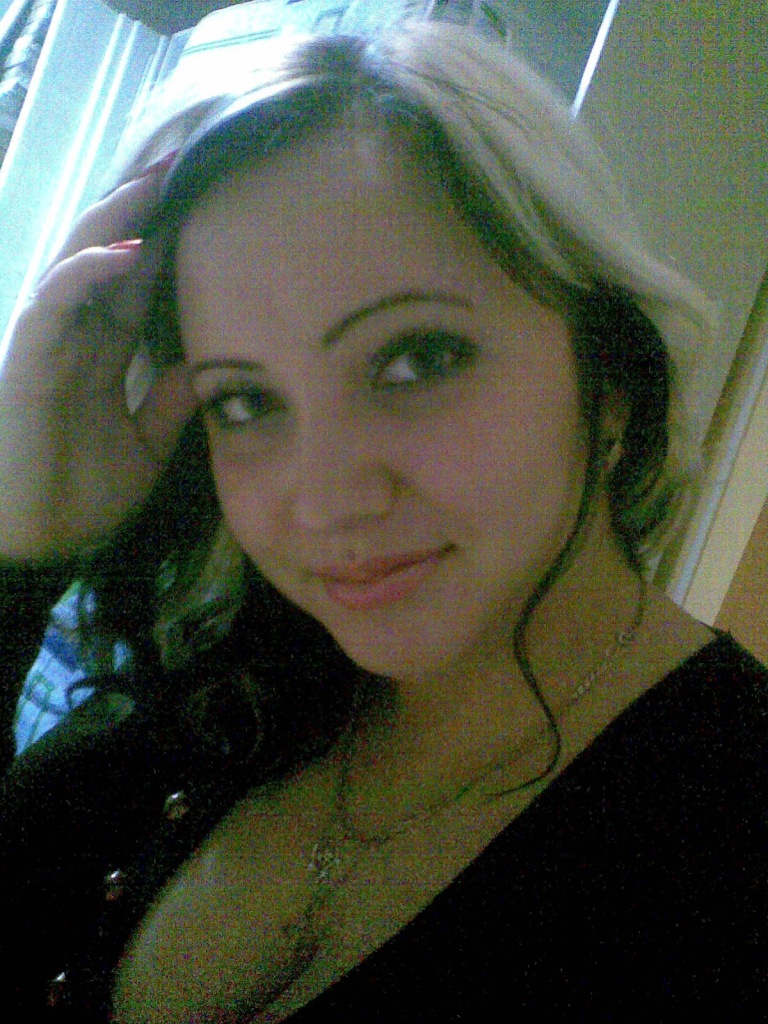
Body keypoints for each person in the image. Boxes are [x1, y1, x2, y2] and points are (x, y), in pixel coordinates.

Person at [0, 20, 766, 1023]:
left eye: (418, 359)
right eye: (245, 401)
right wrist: (22, 550)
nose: (323, 503)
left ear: (608, 374)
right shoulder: (228, 694)